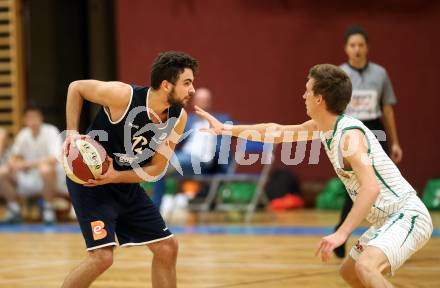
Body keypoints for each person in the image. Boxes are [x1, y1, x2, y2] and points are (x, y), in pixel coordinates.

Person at [196, 64, 432, 287]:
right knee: (350, 272)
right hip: (386, 219)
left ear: (319, 99)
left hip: (406, 214)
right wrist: (226, 129)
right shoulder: (324, 127)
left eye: (307, 90)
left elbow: (371, 188)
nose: (303, 96)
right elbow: (276, 132)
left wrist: (341, 233)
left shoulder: (349, 136)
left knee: (366, 267)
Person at [61, 51, 198, 288]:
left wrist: (117, 176)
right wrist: (72, 131)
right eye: (187, 83)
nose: (192, 89)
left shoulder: (178, 118)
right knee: (102, 257)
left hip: (124, 182)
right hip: (91, 185)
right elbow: (76, 87)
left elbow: (156, 169)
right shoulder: (123, 96)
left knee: (167, 247)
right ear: (166, 85)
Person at [334, 25, 404, 258]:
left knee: (381, 184)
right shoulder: (339, 75)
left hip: (375, 129)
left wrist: (395, 142)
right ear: (346, 49)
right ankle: (341, 233)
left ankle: (388, 237)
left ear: (367, 48)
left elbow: (387, 109)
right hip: (351, 131)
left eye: (361, 45)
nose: (357, 49)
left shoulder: (380, 74)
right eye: (352, 45)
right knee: (354, 186)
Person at [152, 87, 232, 209]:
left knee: (162, 164)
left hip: (204, 162)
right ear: (194, 102)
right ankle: (155, 210)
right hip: (185, 160)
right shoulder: (188, 120)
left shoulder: (221, 120)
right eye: (200, 100)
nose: (203, 102)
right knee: (160, 171)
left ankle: (162, 164)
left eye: (206, 100)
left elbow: (239, 130)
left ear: (210, 102)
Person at [0, 106, 65, 224]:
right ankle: (14, 209)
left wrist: (26, 164)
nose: (33, 120)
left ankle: (48, 208)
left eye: (35, 117)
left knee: (45, 169)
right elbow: (14, 156)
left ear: (41, 118)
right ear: (25, 120)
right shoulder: (23, 134)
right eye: (29, 118)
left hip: (52, 180)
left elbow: (54, 159)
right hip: (29, 178)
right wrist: (14, 164)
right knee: (3, 171)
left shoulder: (51, 131)